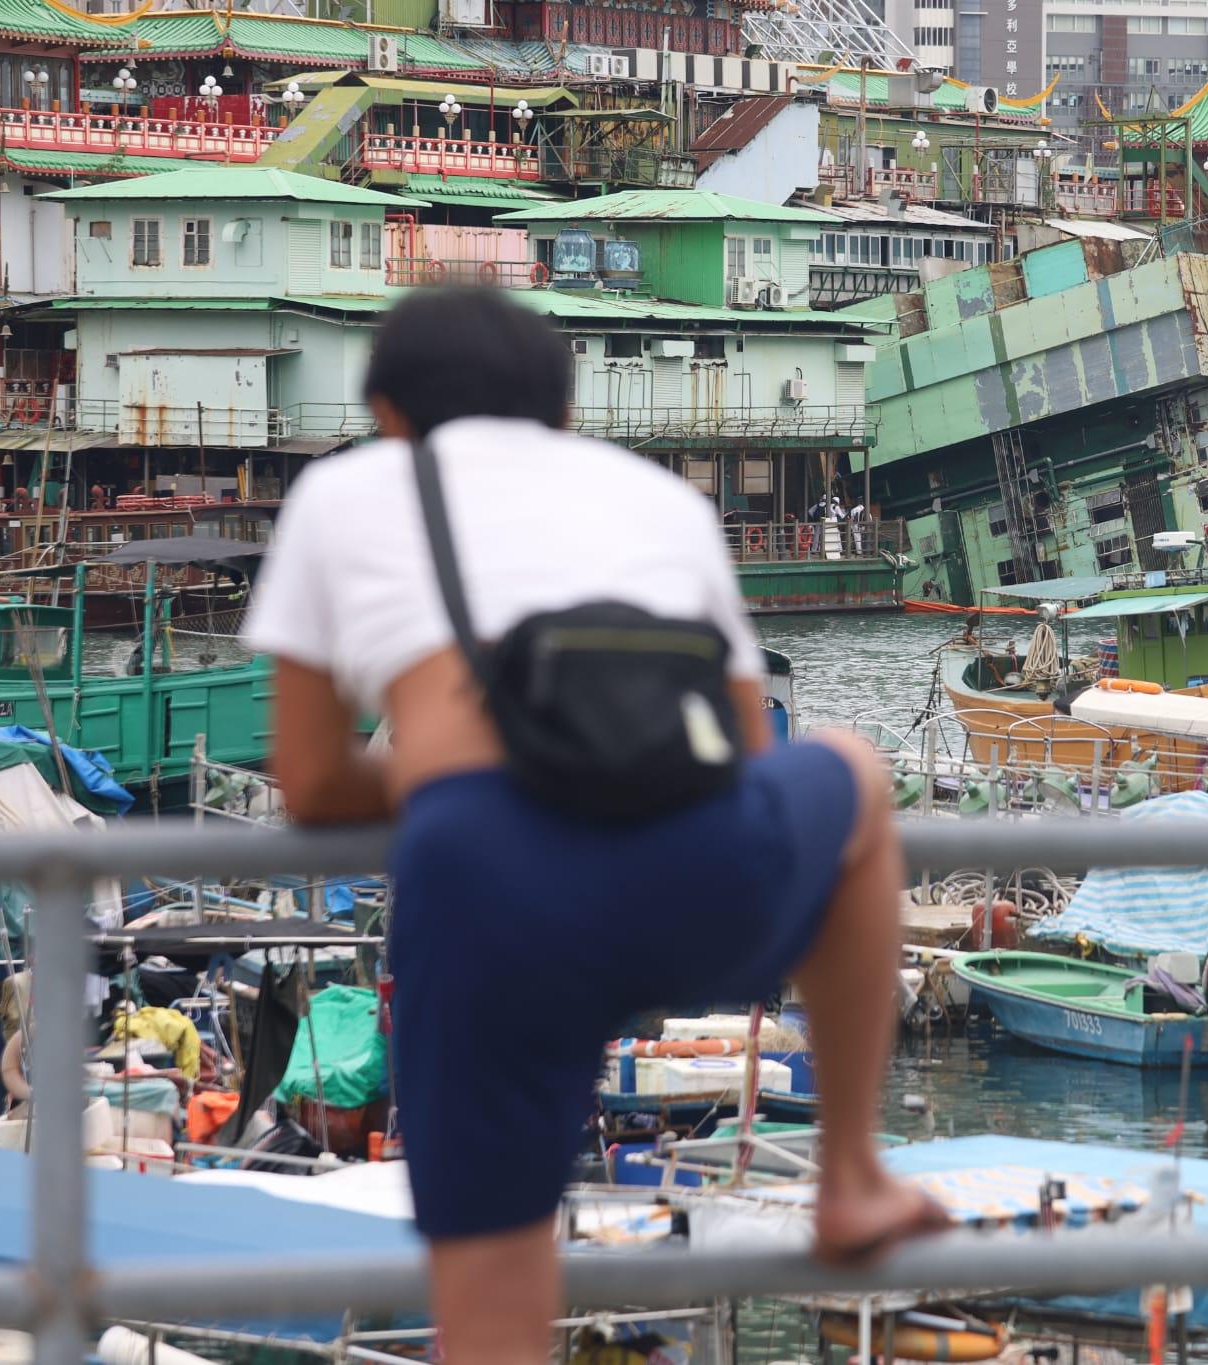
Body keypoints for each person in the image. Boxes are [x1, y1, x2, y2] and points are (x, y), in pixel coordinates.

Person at [243, 290, 944, 1363]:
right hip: (689, 870)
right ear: (565, 413)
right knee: (849, 771)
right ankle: (849, 1173)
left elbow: (309, 781)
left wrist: (447, 772)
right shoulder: (658, 499)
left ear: (386, 413)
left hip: (487, 881)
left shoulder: (339, 495)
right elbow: (745, 748)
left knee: (490, 1312)